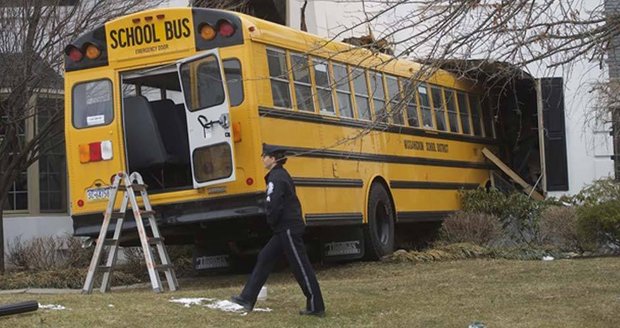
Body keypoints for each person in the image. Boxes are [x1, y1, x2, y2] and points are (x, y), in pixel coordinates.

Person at [231, 144, 325, 317]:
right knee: (265, 257)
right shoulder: (279, 175)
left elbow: (274, 204)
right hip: (284, 229)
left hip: (287, 228)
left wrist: (271, 221)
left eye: (265, 156)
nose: (263, 159)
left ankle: (316, 306)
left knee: (300, 266)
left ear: (273, 159)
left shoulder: (276, 177)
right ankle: (247, 298)